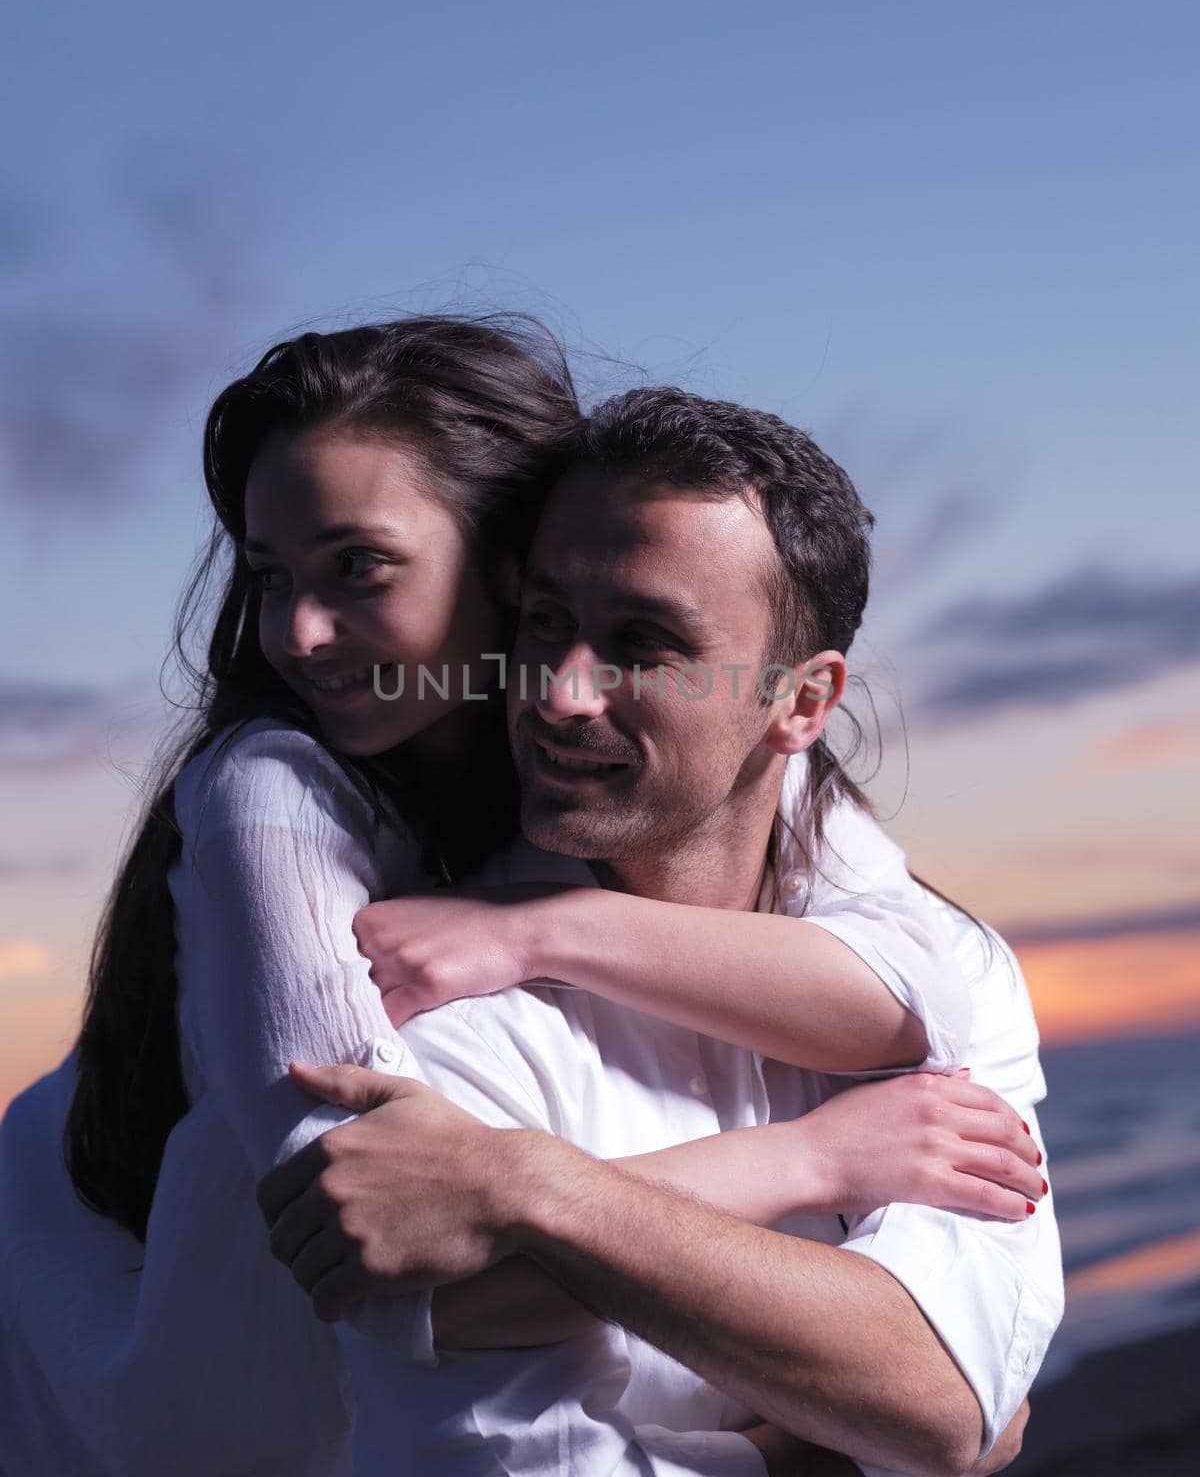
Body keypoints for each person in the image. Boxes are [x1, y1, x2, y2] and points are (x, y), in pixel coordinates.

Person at [0, 330, 1031, 1477]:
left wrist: (550, 938)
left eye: (360, 565)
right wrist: (806, 1175)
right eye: (276, 574)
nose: (295, 628)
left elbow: (936, 1010)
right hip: (127, 1368)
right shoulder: (293, 823)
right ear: (521, 592)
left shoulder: (826, 861)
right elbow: (380, 1232)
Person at [255, 388, 1064, 1476]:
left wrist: (530, 1186)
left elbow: (944, 1397)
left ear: (801, 702)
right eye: (545, 622)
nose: (558, 692)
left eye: (642, 642)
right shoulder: (439, 1015)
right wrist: (837, 1446)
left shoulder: (939, 967)